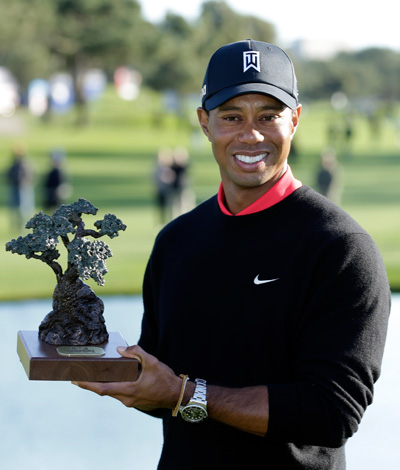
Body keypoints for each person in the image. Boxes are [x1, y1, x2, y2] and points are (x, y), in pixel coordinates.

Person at [74, 40, 391, 469]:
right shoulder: (177, 241)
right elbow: (163, 389)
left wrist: (184, 394)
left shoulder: (341, 248)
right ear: (204, 123)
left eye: (268, 116)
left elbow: (331, 412)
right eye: (231, 117)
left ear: (295, 120)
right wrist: (114, 373)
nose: (251, 135)